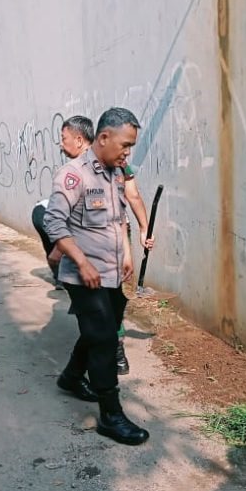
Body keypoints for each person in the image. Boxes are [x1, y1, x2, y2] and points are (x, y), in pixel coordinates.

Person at [43, 106, 149, 446]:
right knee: (104, 338)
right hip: (84, 277)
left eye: (131, 146)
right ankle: (110, 414)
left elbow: (118, 220)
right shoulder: (73, 175)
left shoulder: (114, 173)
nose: (127, 152)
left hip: (112, 273)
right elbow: (54, 223)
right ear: (103, 138)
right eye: (125, 144)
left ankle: (72, 377)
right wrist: (83, 262)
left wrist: (128, 254)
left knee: (96, 333)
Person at [32, 114, 155, 374]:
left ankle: (79, 375)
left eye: (63, 139)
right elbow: (62, 219)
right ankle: (104, 392)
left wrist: (138, 237)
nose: (60, 144)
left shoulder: (117, 164)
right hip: (86, 264)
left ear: (80, 139)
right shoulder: (75, 172)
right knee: (99, 325)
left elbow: (123, 207)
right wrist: (72, 257)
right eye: (126, 146)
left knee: (107, 314)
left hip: (109, 255)